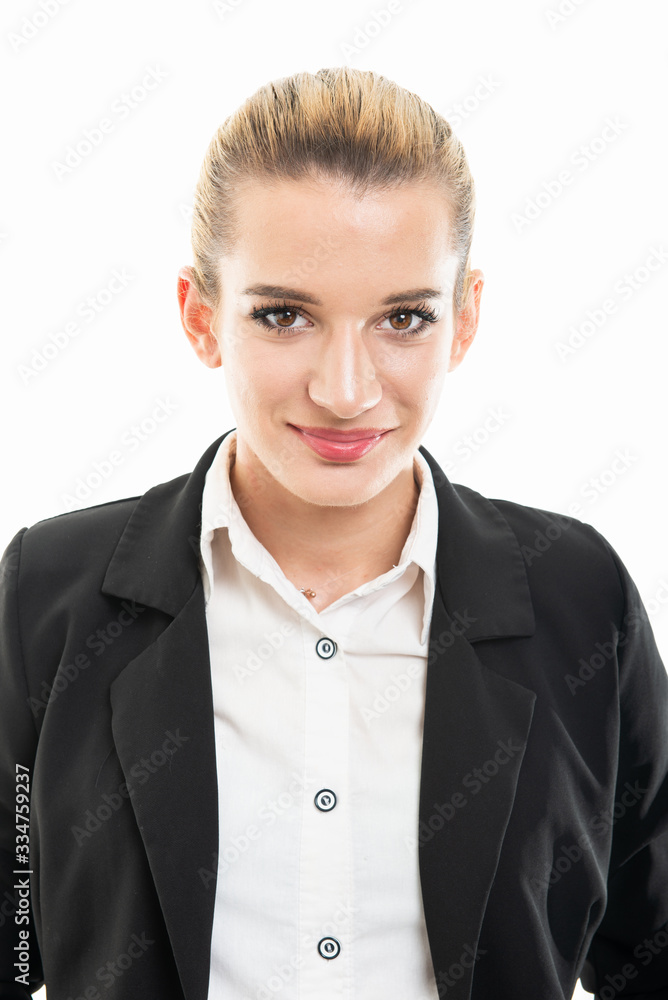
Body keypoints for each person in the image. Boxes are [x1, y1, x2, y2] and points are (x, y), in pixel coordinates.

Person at [1, 66, 667, 1000]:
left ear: (464, 320)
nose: (346, 390)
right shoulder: (51, 593)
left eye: (404, 318)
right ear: (201, 318)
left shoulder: (576, 592)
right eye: (284, 315)